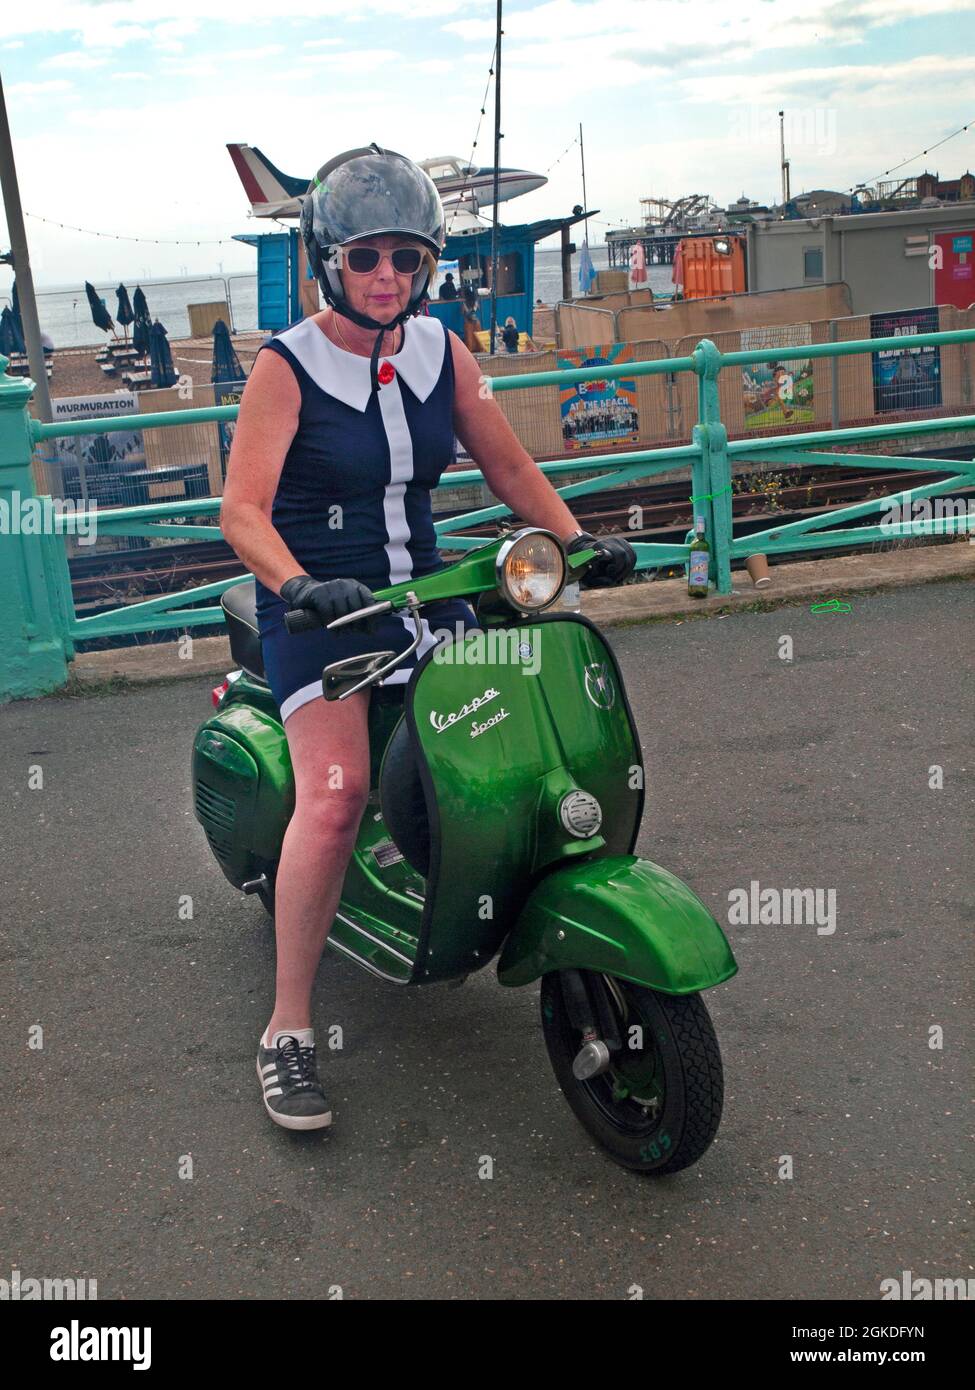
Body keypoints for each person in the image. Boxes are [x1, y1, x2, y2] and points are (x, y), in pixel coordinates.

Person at [220, 142, 636, 1132]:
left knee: (508, 737)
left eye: (407, 259)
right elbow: (242, 512)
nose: (388, 277)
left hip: (433, 596)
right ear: (331, 259)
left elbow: (508, 466)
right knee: (334, 796)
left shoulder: (442, 350)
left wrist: (578, 541)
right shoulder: (285, 367)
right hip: (323, 611)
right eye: (367, 258)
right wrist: (299, 584)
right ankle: (286, 1032)